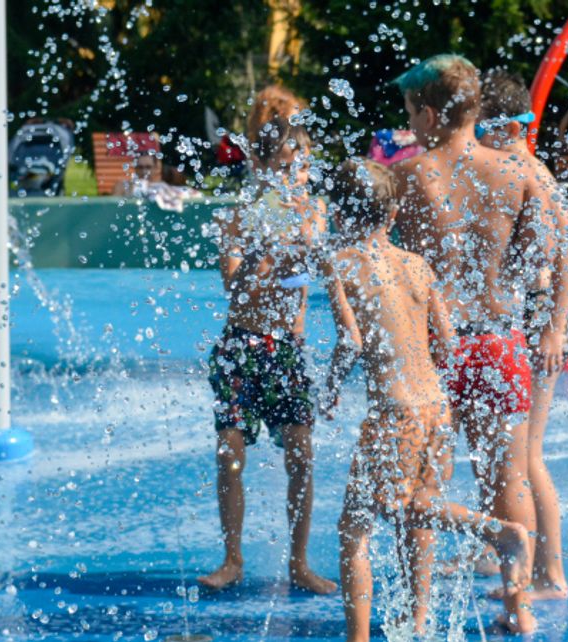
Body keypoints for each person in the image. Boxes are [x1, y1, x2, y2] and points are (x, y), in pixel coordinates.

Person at [325, 158, 532, 642]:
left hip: (394, 411)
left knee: (356, 525)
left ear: (338, 213)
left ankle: (499, 532)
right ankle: (418, 622)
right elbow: (448, 341)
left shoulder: (342, 263)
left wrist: (331, 386)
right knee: (418, 509)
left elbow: (351, 342)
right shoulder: (418, 265)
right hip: (437, 406)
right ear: (393, 213)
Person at [390, 53, 563, 634]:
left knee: (422, 483)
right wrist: (549, 322)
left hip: (432, 351)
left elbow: (382, 260)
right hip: (497, 341)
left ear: (433, 113)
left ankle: (417, 612)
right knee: (506, 476)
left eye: (412, 112)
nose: (408, 125)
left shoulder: (411, 177)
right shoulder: (520, 174)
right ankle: (520, 604)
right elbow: (545, 257)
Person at [199, 90, 341, 595]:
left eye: (300, 168)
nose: (293, 177)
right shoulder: (237, 219)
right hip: (241, 344)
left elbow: (323, 271)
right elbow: (233, 288)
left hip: (285, 349)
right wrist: (262, 253)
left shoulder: (313, 214)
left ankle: (299, 563)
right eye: (283, 168)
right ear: (258, 166)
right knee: (229, 450)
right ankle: (232, 557)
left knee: (301, 452)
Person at [476, 68, 568, 601]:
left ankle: (550, 577)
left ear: (496, 124)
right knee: (501, 454)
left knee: (527, 457)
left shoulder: (530, 172)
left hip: (539, 329)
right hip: (523, 325)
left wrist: (554, 328)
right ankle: (499, 554)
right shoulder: (512, 167)